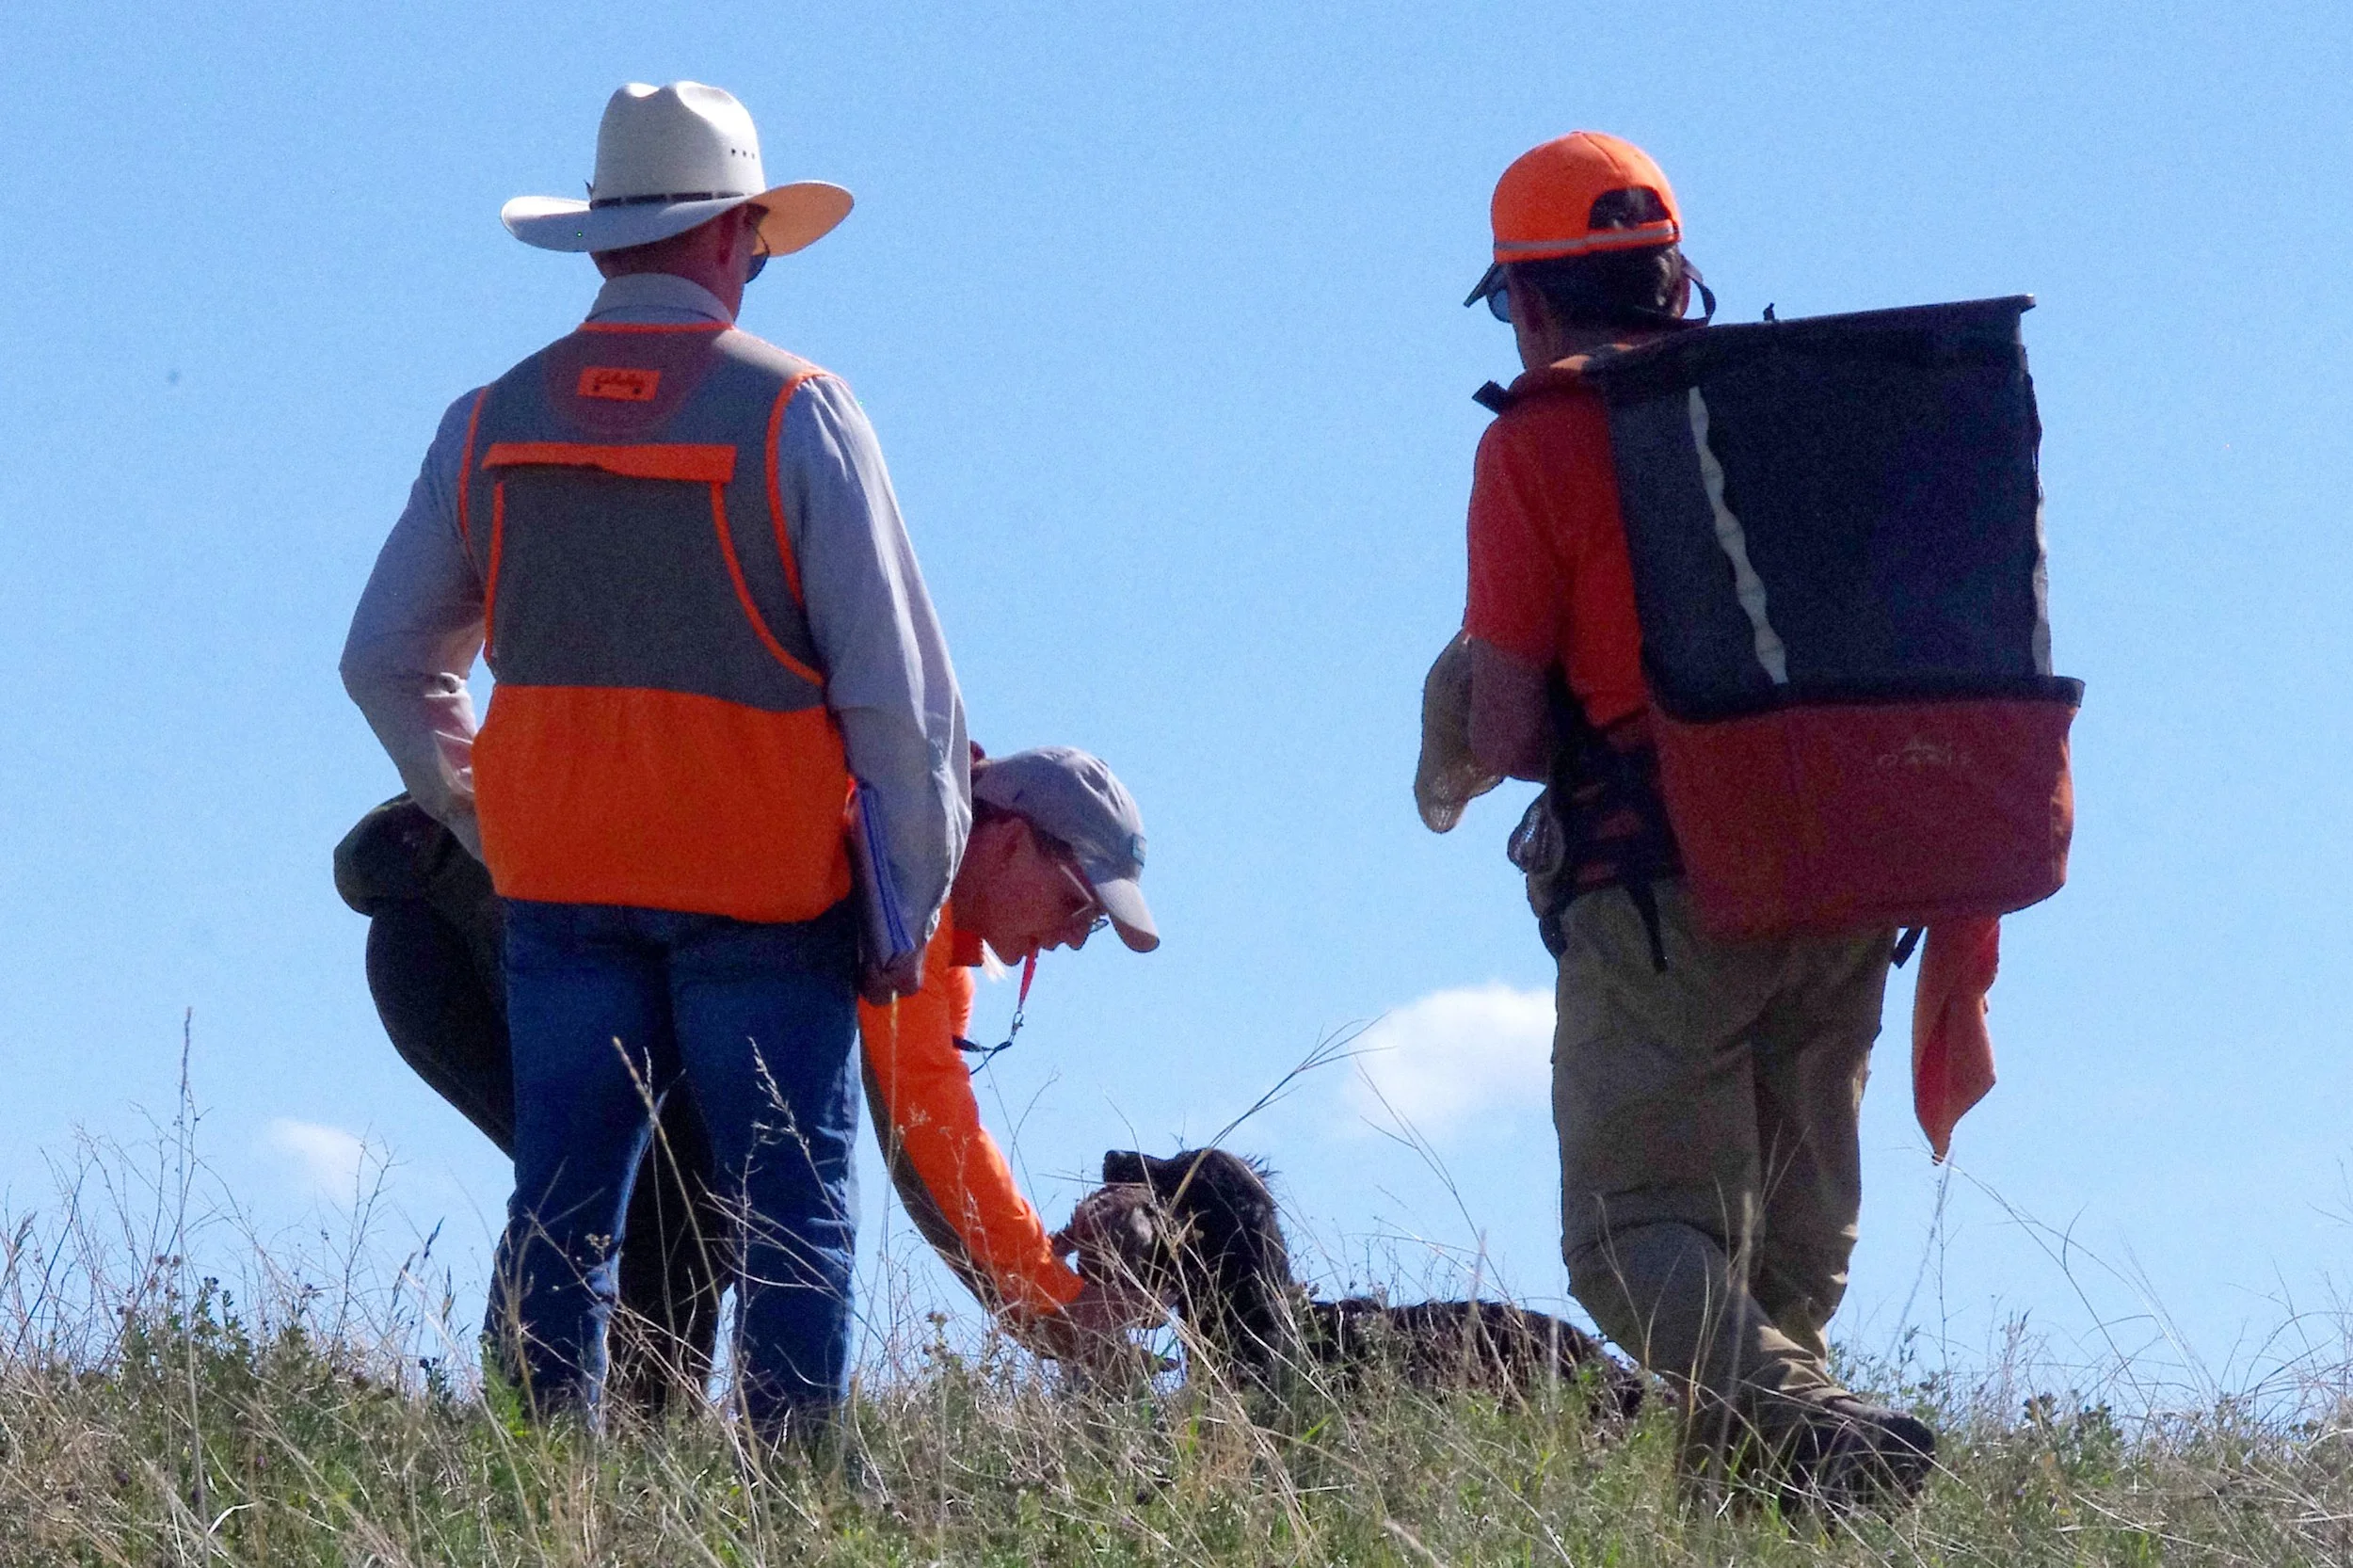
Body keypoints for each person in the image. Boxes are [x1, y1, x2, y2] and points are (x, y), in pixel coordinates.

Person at [341, 81, 967, 1437]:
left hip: (559, 887)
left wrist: (482, 807)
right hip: (762, 894)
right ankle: (798, 1495)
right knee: (789, 1199)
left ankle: (533, 1478)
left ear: (601, 241)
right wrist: (904, 906)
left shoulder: (490, 420)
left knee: (563, 1196)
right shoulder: (801, 411)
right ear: (739, 232)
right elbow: (902, 701)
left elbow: (385, 657)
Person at [1444, 132, 1936, 1505]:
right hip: (1849, 880)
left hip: (1662, 892)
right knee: (1776, 1257)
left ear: (1530, 301)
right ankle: (1765, 1524)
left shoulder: (1537, 442)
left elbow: (1508, 733)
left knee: (1634, 1235)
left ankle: (1821, 1425)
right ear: (1673, 284)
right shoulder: (1792, 412)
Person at [331, 746, 1160, 1406]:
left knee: (679, 1188)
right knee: (673, 1190)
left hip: (461, 935)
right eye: (1077, 908)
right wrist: (1058, 1308)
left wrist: (1046, 1297)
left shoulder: (933, 938)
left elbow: (937, 1126)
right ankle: (578, 1461)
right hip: (446, 944)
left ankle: (600, 1463)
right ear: (1012, 841)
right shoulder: (901, 856)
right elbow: (929, 1133)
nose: (1075, 939)